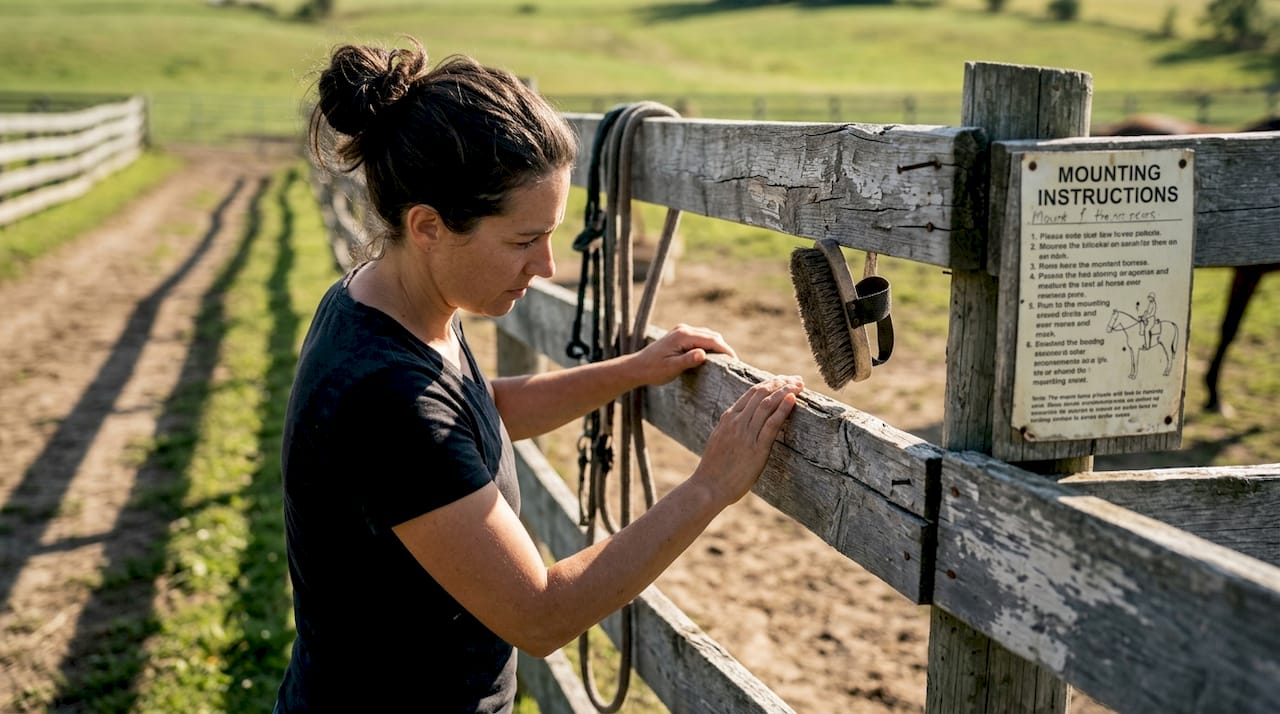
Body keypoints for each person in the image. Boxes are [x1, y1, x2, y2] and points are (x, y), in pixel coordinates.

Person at [275, 38, 804, 713]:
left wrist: (630, 372)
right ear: (428, 225)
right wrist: (711, 486)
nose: (548, 266)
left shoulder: (388, 302)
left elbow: (472, 413)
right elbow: (541, 614)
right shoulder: (385, 394)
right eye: (523, 241)